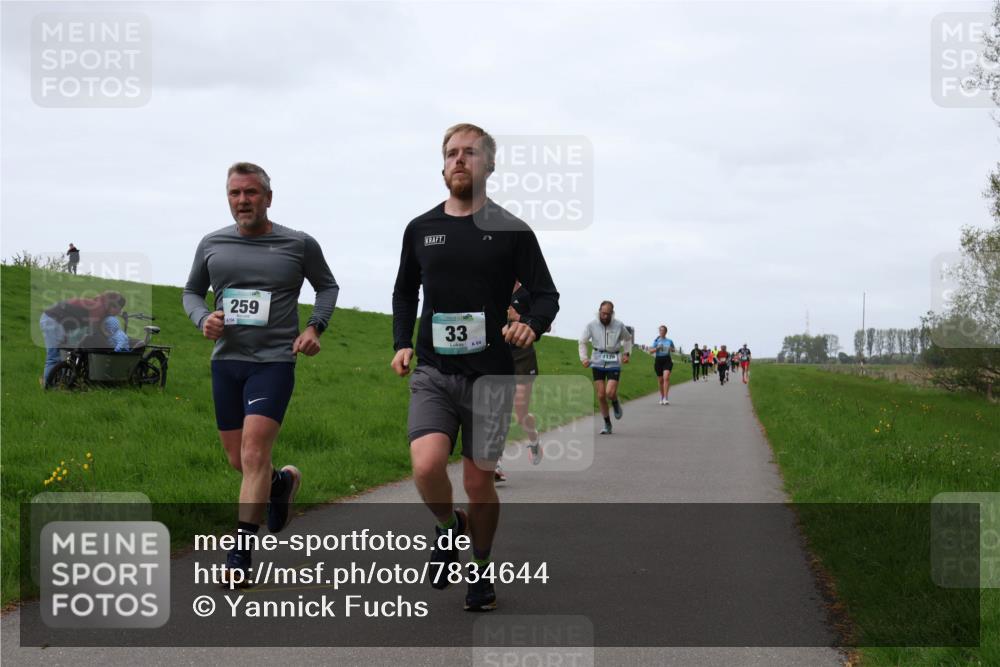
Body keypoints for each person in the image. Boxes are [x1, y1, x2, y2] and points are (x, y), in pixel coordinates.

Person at [390, 124, 559, 612]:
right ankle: (449, 527)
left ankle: (480, 569)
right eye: (451, 153)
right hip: (433, 371)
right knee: (426, 465)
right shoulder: (420, 228)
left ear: (490, 164)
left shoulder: (512, 230)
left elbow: (546, 294)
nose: (459, 160)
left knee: (478, 483)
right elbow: (405, 291)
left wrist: (531, 325)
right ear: (442, 165)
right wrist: (402, 343)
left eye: (470, 152)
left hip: (490, 377)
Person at [182, 162, 339, 585]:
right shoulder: (212, 243)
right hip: (226, 361)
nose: (243, 200)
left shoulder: (298, 243)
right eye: (235, 193)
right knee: (239, 460)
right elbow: (191, 292)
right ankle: (281, 483)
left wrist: (314, 327)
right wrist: (202, 319)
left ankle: (239, 556)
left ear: (268, 197)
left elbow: (327, 286)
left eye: (251, 192)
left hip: (274, 361)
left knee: (253, 454)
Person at [495, 280, 546, 482]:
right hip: (499, 355)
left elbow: (546, 325)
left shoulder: (527, 294)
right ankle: (496, 462)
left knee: (520, 412)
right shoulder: (493, 288)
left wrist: (519, 318)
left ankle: (534, 441)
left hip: (523, 356)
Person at [39, 291, 126, 383]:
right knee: (54, 357)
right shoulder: (98, 307)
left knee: (65, 356)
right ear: (113, 306)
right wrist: (109, 348)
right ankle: (48, 385)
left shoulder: (100, 306)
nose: (118, 313)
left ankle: (62, 382)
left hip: (60, 324)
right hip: (53, 321)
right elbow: (95, 331)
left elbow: (98, 330)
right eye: (119, 309)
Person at [579, 301, 632, 434]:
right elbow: (582, 342)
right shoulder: (591, 325)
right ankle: (607, 424)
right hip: (597, 360)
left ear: (612, 313)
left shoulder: (619, 325)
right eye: (603, 313)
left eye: (608, 314)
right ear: (599, 311)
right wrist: (584, 358)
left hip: (614, 361)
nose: (605, 316)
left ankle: (615, 401)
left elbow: (628, 338)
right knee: (601, 395)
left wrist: (626, 353)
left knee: (610, 393)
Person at [650, 325, 675, 405]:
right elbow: (650, 351)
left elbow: (674, 350)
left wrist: (671, 349)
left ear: (666, 332)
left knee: (666, 378)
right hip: (658, 360)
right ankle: (662, 396)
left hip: (667, 360)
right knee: (660, 380)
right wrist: (657, 348)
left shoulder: (669, 341)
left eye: (663, 330)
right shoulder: (656, 341)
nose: (661, 332)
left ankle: (666, 398)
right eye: (660, 330)